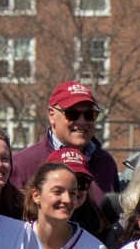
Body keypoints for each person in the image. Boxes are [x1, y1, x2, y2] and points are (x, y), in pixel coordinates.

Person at [9, 82, 120, 213]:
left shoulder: (105, 163)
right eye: (72, 114)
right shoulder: (24, 164)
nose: (82, 121)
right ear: (52, 115)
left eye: (90, 114)